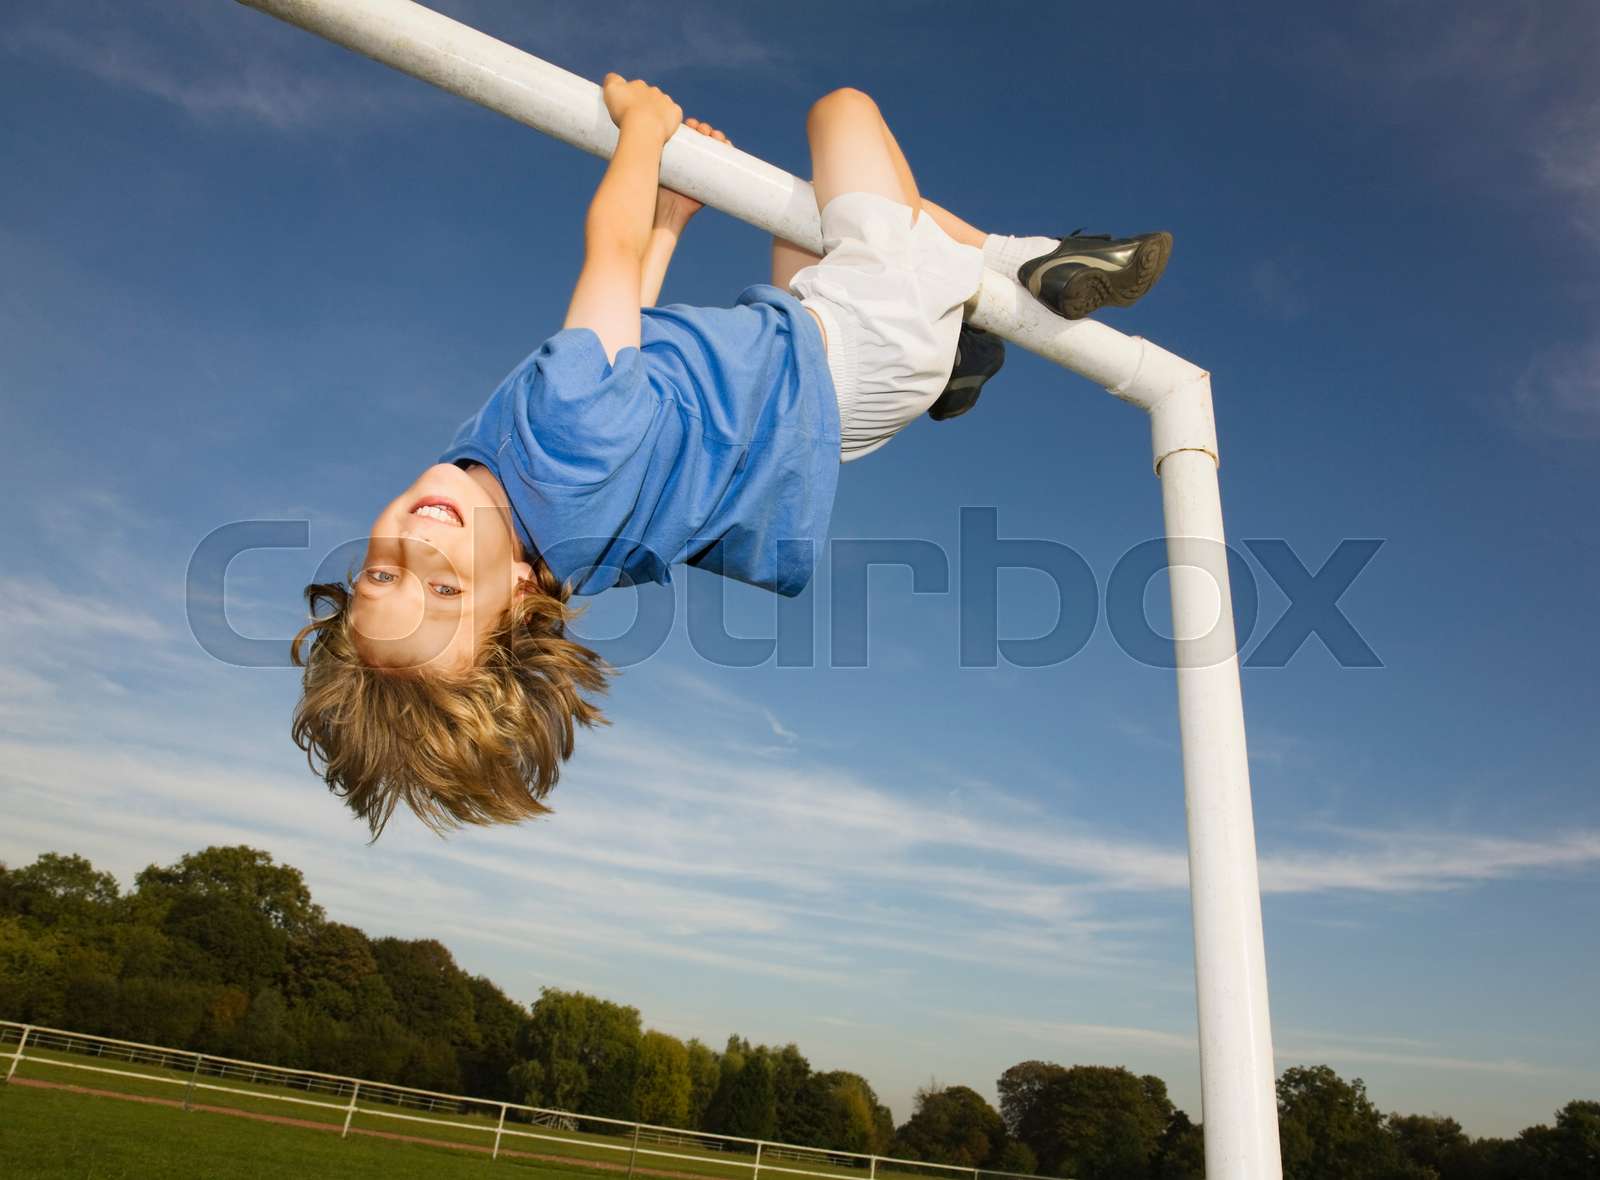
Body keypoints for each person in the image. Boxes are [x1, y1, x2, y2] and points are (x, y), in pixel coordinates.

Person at [291, 77, 1171, 836]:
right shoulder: (558, 444)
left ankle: (966, 344)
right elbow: (611, 253)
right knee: (842, 114)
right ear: (517, 597)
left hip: (821, 394)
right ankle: (1024, 271)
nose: (417, 552)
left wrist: (671, 216)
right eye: (445, 590)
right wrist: (642, 131)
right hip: (854, 346)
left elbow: (621, 340)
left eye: (380, 578)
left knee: (806, 207)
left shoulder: (569, 550)